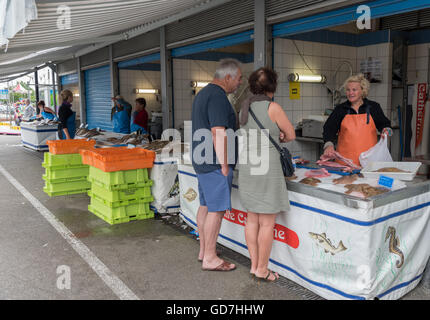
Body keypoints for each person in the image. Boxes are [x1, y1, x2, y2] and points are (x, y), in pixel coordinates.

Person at [237, 67, 295, 282]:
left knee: (252, 219)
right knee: (267, 222)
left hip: (248, 166)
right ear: (272, 86)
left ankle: (254, 265)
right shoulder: (273, 108)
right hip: (267, 169)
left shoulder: (243, 108)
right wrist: (279, 135)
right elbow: (290, 135)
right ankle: (262, 268)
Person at [191, 58, 243, 272]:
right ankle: (210, 258)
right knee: (217, 210)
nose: (239, 83)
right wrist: (224, 164)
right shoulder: (219, 97)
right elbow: (218, 131)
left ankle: (205, 250)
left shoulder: (203, 93)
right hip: (214, 162)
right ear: (228, 77)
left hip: (202, 160)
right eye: (239, 79)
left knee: (205, 206)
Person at [322, 73, 392, 166]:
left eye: (354, 90)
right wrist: (329, 145)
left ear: (363, 91)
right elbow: (328, 129)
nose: (350, 93)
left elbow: (385, 125)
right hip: (345, 163)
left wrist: (387, 131)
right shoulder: (340, 109)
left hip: (369, 162)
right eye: (348, 90)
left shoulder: (373, 107)